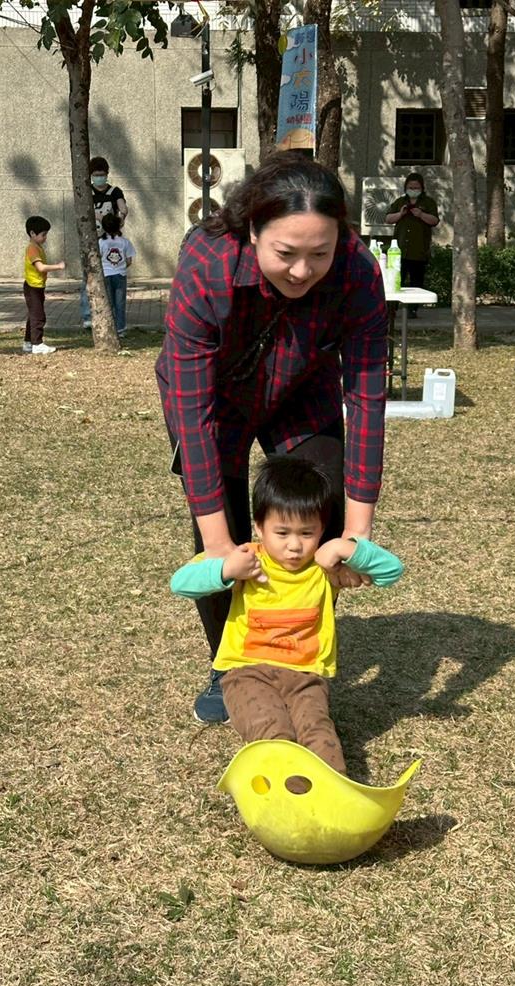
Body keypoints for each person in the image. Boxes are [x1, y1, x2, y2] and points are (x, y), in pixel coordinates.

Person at [156, 151, 388, 725]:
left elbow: (366, 398)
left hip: (302, 389)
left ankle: (298, 654)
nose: (303, 271)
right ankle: (232, 664)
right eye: (286, 254)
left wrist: (357, 533)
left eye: (319, 254)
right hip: (214, 398)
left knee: (317, 514)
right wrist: (218, 548)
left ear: (341, 239)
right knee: (225, 535)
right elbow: (193, 412)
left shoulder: (358, 271)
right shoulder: (206, 262)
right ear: (254, 229)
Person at [170, 456, 404, 770]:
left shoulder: (324, 570)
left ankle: (330, 788)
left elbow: (392, 571)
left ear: (321, 529)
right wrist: (226, 569)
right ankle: (283, 787)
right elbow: (180, 584)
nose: (294, 545)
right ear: (259, 526)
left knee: (318, 732)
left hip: (305, 678)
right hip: (246, 674)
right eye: (282, 533)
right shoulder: (248, 561)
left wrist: (344, 547)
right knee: (271, 728)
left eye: (307, 534)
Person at [80, 156, 129, 328]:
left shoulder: (115, 192)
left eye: (102, 174)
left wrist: (121, 216)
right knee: (88, 277)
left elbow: (123, 207)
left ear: (107, 174)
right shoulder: (87, 191)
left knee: (111, 280)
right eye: (96, 175)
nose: (99, 178)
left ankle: (112, 317)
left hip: (109, 239)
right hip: (91, 239)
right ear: (91, 175)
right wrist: (100, 216)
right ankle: (88, 316)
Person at [385, 172, 439, 318]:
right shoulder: (400, 202)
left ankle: (412, 310)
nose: (413, 190)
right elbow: (388, 218)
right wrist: (400, 214)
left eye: (416, 187)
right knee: (396, 280)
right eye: (410, 187)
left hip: (419, 250)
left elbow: (434, 220)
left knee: (416, 281)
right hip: (399, 249)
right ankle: (391, 309)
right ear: (405, 188)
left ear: (422, 188)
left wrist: (421, 214)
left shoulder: (428, 202)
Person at [22, 215, 65, 355]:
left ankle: (28, 342)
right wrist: (58, 266)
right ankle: (37, 344)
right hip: (32, 287)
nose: (45, 238)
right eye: (43, 234)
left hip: (37, 286)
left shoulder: (37, 247)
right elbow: (40, 267)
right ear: (32, 233)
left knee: (33, 315)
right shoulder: (33, 249)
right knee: (38, 316)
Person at [99, 213, 136, 337]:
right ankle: (121, 328)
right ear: (119, 226)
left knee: (108, 302)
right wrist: (121, 267)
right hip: (120, 274)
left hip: (106, 274)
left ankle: (109, 327)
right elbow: (129, 261)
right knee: (120, 302)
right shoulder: (125, 242)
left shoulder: (101, 242)